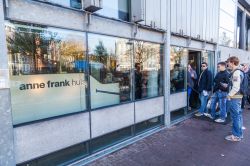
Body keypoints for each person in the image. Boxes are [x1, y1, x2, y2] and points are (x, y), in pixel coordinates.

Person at [225, 56, 243, 142]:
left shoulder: (236, 72)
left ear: (232, 62)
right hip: (238, 97)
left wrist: (229, 95)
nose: (227, 64)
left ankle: (236, 135)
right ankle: (238, 133)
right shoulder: (239, 71)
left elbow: (236, 87)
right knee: (238, 116)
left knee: (235, 116)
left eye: (228, 62)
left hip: (235, 97)